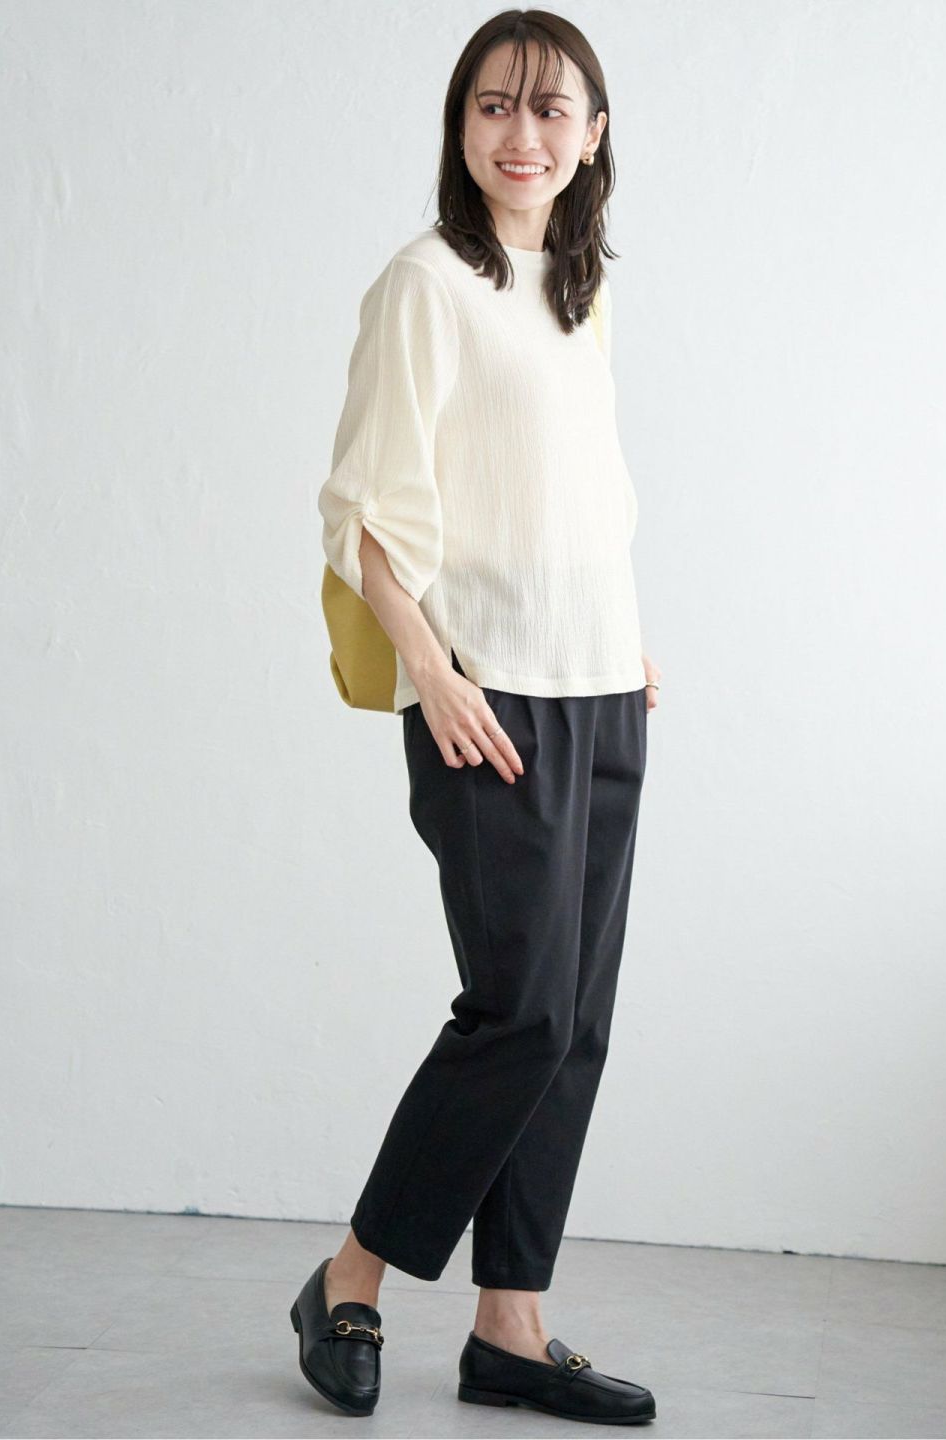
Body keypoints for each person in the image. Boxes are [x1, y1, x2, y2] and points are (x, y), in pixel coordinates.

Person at [291, 8, 663, 1426]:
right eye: (495, 106)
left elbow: (576, 488)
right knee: (520, 1012)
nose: (523, 134)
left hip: (602, 683)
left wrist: (629, 637)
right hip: (484, 689)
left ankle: (512, 1326)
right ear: (461, 127)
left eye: (551, 109)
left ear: (593, 135)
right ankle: (351, 1277)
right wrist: (433, 671)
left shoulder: (577, 290)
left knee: (574, 1026)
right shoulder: (424, 285)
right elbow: (362, 510)